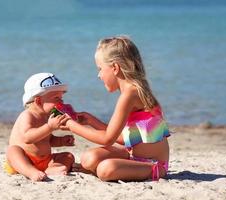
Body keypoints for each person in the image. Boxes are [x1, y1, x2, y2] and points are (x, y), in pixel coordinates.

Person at [65, 36, 170, 181]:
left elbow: (108, 139)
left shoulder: (129, 95)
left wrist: (72, 126)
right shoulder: (133, 90)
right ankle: (117, 168)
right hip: (133, 156)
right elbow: (124, 138)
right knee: (88, 158)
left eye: (100, 69)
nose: (98, 75)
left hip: (154, 165)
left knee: (105, 169)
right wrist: (91, 121)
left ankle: (132, 170)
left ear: (115, 68)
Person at [4, 72, 75, 181]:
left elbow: (47, 140)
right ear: (38, 101)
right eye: (56, 98)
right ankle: (30, 171)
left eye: (61, 98)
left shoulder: (45, 117)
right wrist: (49, 127)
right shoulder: (27, 115)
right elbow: (27, 138)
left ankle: (52, 169)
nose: (61, 101)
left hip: (45, 161)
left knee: (68, 156)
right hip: (25, 159)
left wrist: (61, 141)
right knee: (13, 151)